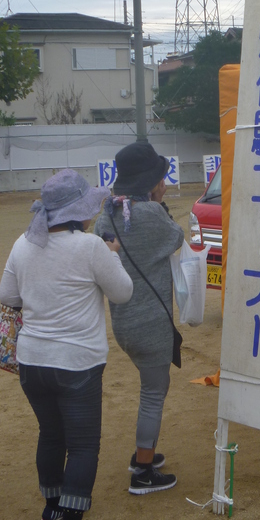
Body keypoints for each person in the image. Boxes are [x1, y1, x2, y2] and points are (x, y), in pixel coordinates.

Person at [0, 170, 133, 520]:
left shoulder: (23, 244)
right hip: (77, 361)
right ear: (79, 212)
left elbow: (7, 295)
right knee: (84, 445)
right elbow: (123, 292)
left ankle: (52, 507)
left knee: (51, 434)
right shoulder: (89, 246)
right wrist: (111, 257)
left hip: (32, 359)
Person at [95, 142, 184, 496]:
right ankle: (143, 470)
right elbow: (176, 236)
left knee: (150, 388)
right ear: (151, 181)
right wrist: (158, 203)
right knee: (153, 392)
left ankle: (144, 455)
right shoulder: (150, 214)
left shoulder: (108, 212)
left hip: (124, 320)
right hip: (152, 322)